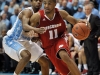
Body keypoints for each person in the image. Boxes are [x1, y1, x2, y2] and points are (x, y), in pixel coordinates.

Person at [30, 0, 89, 75]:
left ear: (55, 4)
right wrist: (33, 35)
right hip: (48, 46)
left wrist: (84, 21)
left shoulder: (61, 13)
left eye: (49, 3)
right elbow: (27, 30)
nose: (46, 6)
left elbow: (75, 21)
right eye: (45, 3)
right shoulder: (37, 16)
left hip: (60, 39)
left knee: (63, 55)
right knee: (67, 72)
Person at [3, 0, 49, 75]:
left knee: (45, 62)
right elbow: (25, 26)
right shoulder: (27, 11)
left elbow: (28, 35)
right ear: (31, 2)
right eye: (36, 0)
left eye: (40, 0)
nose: (38, 2)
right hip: (12, 40)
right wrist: (36, 30)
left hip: (25, 42)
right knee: (27, 55)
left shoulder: (40, 15)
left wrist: (35, 37)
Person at [83, 3, 100, 75]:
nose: (87, 10)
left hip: (92, 39)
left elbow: (99, 27)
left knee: (94, 56)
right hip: (85, 39)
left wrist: (96, 36)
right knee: (88, 55)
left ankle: (96, 71)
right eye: (86, 9)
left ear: (91, 10)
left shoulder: (95, 17)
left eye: (88, 9)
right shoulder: (84, 18)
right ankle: (90, 70)